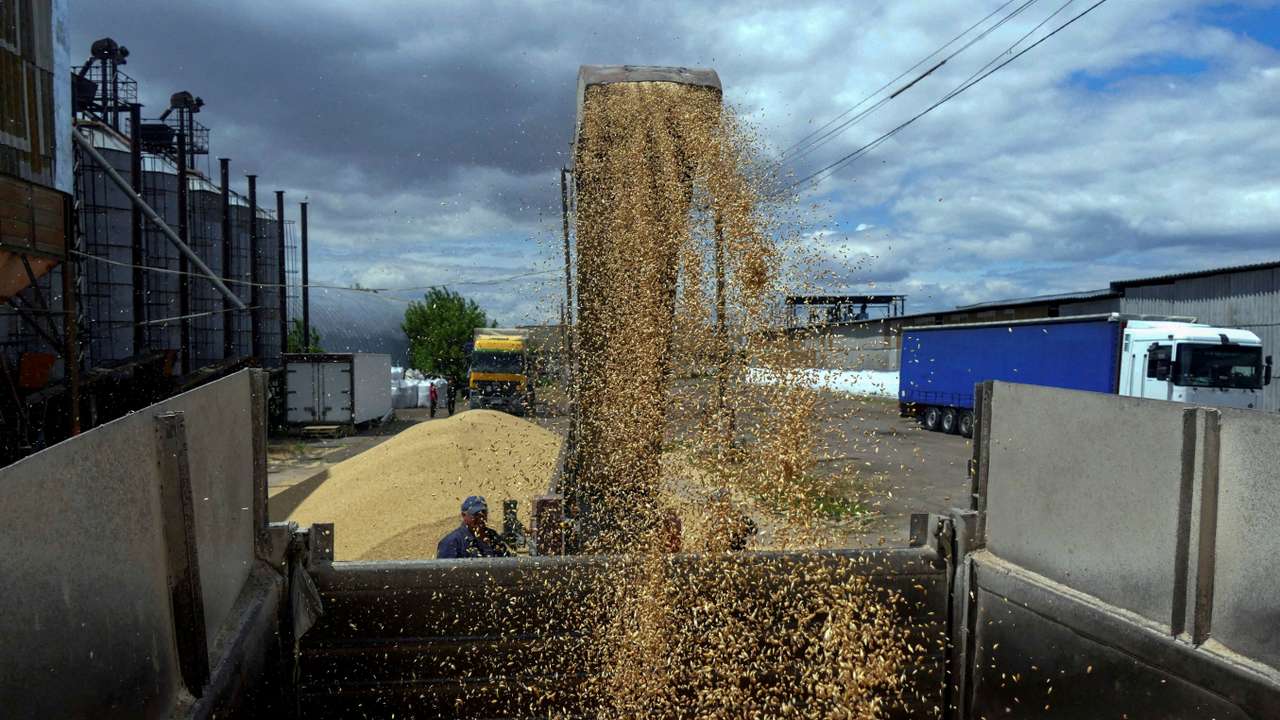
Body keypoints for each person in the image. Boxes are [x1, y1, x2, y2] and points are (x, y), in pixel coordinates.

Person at [436, 495, 511, 559]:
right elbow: (444, 572)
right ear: (464, 515)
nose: (481, 518)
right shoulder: (452, 542)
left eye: (483, 513)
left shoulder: (493, 537)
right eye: (476, 515)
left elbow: (507, 564)